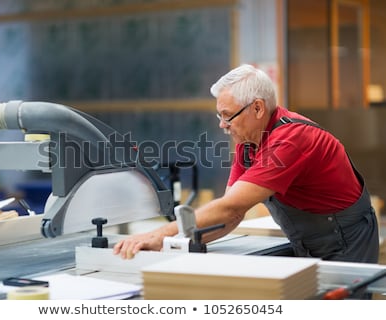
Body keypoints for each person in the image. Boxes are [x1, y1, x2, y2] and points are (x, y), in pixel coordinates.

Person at [113, 64, 379, 264]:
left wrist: (159, 234)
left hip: (345, 241)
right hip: (309, 240)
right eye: (220, 115)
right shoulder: (249, 143)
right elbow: (231, 216)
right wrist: (174, 242)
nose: (222, 125)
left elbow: (230, 208)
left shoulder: (291, 140)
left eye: (227, 116)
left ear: (258, 109)